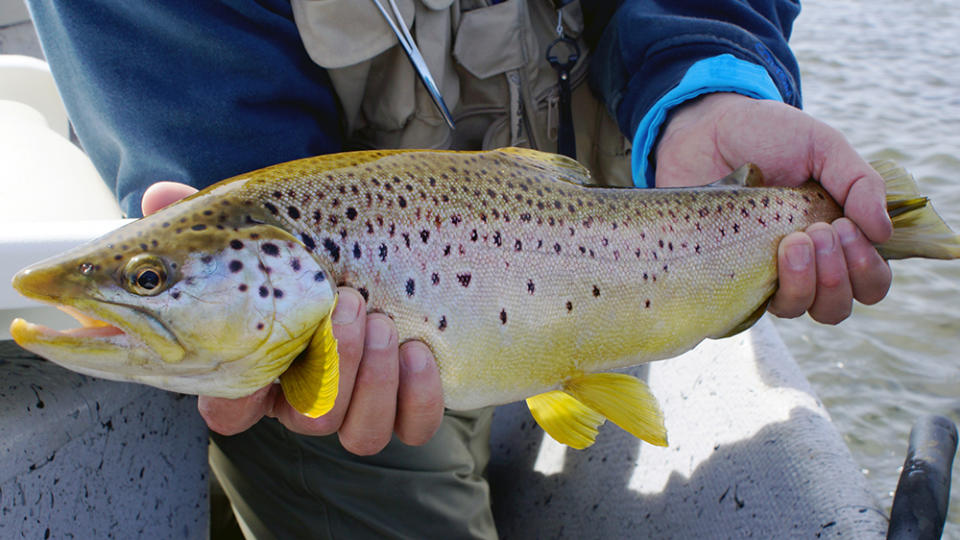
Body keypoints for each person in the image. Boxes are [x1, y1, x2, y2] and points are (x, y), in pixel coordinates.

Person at [26, 0, 892, 537]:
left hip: (594, 222)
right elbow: (216, 132)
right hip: (344, 376)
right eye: (152, 281)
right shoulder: (285, 264)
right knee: (318, 421)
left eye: (146, 281)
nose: (142, 290)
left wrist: (711, 82)